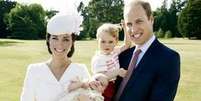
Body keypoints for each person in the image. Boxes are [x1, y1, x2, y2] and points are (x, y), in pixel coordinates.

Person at [20, 13, 103, 101]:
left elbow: (92, 96)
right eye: (55, 38)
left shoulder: (81, 70)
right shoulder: (34, 70)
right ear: (48, 40)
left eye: (66, 39)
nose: (60, 44)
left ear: (72, 42)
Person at [112, 0, 181, 101]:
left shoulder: (169, 59)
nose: (134, 29)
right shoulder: (123, 55)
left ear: (151, 19)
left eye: (139, 21)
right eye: (129, 24)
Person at [91, 23, 131, 101]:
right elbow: (101, 78)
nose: (107, 45)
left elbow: (127, 45)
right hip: (104, 88)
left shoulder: (114, 51)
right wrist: (117, 72)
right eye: (103, 42)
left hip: (114, 84)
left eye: (110, 42)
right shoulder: (98, 59)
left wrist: (126, 30)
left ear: (116, 42)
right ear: (97, 41)